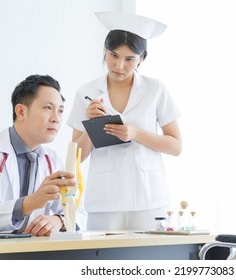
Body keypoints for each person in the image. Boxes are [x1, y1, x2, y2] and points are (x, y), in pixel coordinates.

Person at [67, 11, 182, 231]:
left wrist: (136, 134)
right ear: (104, 52)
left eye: (129, 59)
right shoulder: (87, 92)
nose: (119, 66)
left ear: (142, 58)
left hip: (148, 198)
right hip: (105, 200)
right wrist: (91, 126)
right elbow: (74, 157)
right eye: (113, 55)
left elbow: (176, 146)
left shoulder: (155, 89)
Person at [0, 74, 81, 236]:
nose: (56, 119)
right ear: (21, 112)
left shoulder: (53, 160)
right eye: (48, 108)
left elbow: (79, 211)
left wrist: (59, 220)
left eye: (60, 111)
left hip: (28, 252)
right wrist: (30, 203)